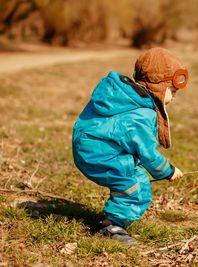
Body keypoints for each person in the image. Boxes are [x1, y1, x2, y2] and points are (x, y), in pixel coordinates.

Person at [72, 47, 188, 243]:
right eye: (173, 91)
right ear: (158, 86)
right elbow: (148, 154)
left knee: (134, 176)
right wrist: (168, 171)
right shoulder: (140, 115)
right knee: (133, 183)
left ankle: (118, 218)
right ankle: (112, 226)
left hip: (89, 145)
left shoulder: (126, 96)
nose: (174, 97)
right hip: (99, 153)